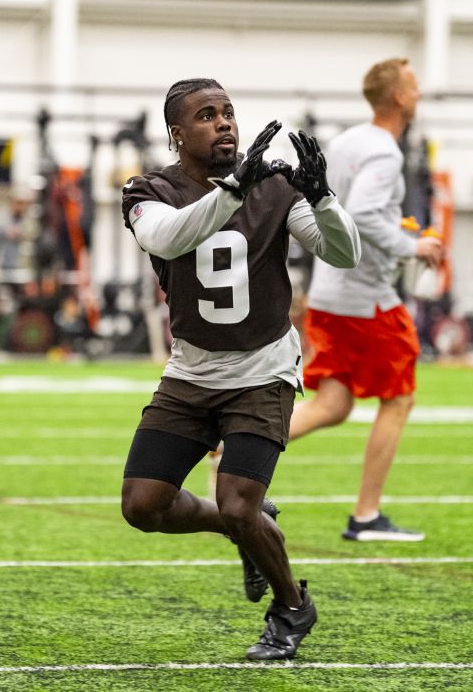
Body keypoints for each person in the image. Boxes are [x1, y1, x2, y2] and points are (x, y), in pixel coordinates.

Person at [119, 78, 360, 661]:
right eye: (207, 115)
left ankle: (292, 606)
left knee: (237, 502)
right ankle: (245, 528)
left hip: (263, 368)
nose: (224, 123)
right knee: (142, 506)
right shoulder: (149, 189)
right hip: (193, 371)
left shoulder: (273, 186)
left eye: (228, 112)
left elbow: (343, 253)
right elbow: (169, 238)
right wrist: (232, 190)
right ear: (178, 134)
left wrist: (324, 198)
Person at [289, 58, 444, 542]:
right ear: (397, 97)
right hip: (364, 298)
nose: (419, 93)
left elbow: (340, 209)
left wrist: (396, 232)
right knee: (400, 398)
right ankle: (366, 516)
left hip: (330, 291)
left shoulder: (345, 142)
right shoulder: (385, 153)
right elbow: (363, 214)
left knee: (332, 404)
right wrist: (412, 245)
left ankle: (231, 445)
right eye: (414, 86)